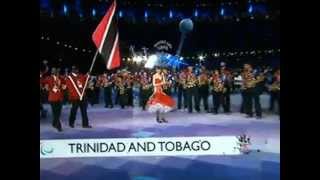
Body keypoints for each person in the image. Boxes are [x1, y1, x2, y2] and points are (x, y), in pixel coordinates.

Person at [43, 68, 65, 132]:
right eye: (53, 71)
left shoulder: (60, 78)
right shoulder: (48, 78)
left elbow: (64, 85)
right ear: (52, 72)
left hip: (60, 97)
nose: (55, 72)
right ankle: (59, 126)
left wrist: (63, 86)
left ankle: (54, 123)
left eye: (56, 71)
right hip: (52, 98)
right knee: (55, 112)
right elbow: (44, 85)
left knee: (58, 112)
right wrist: (46, 87)